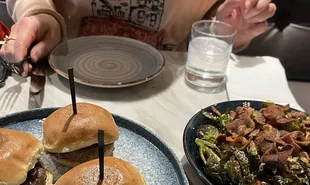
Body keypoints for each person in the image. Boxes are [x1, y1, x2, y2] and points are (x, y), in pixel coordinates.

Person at [1, 0, 276, 76]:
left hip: (170, 82)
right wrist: (38, 14)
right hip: (64, 75)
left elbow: (216, 17)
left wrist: (224, 30)